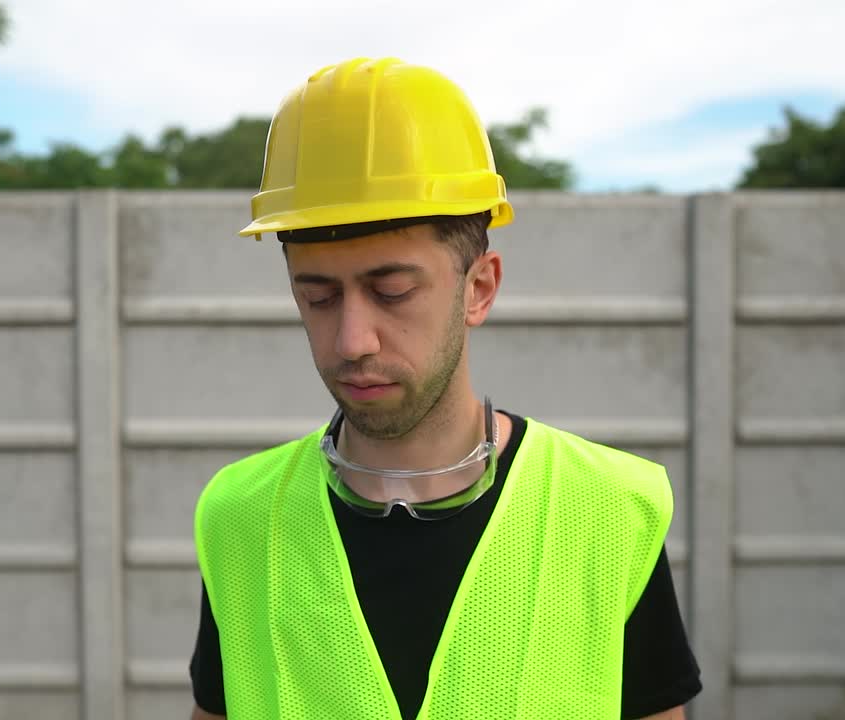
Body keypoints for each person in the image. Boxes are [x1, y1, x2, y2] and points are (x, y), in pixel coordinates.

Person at [189, 57, 701, 720]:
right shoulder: (240, 517)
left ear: (478, 288)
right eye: (318, 297)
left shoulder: (609, 510)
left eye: (391, 292)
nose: (351, 341)